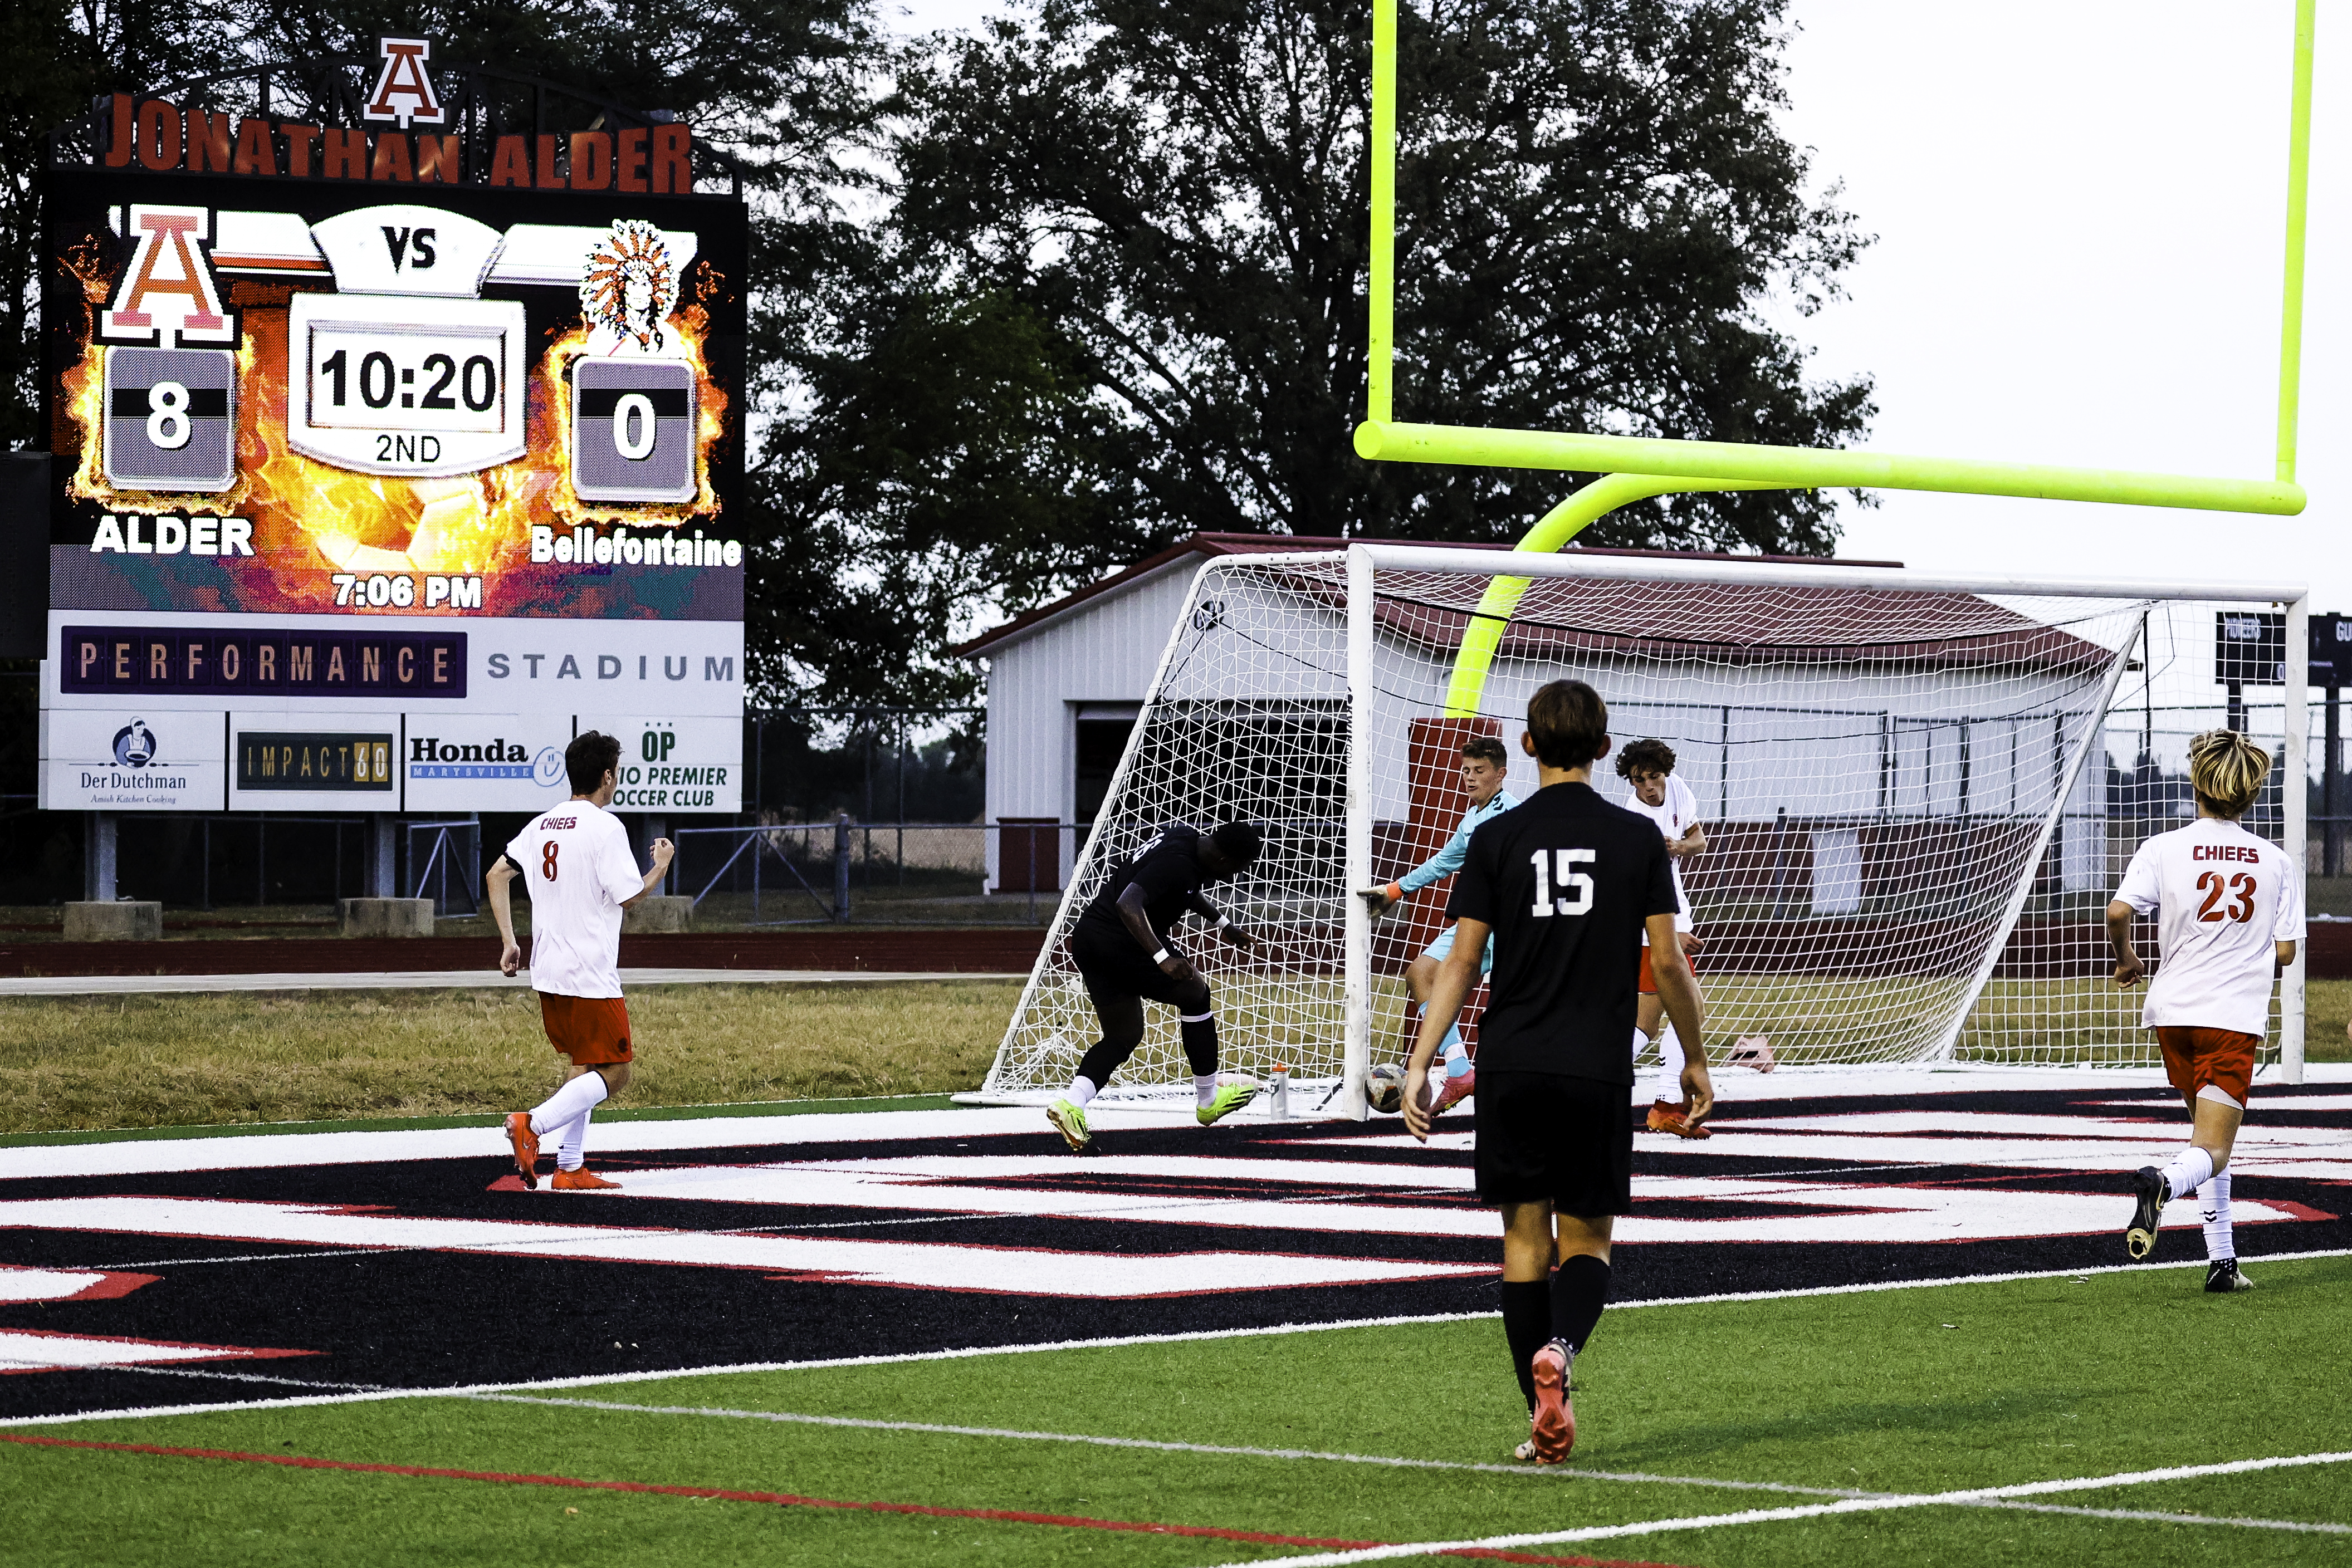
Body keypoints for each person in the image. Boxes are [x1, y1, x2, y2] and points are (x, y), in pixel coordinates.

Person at [1403, 680, 1708, 1464]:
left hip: (1510, 1062)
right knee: (1587, 1242)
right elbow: (1666, 964)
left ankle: (1540, 1417)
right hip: (1593, 1065)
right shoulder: (1636, 837)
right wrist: (1694, 1061)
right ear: (1604, 750)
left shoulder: (1495, 837)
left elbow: (1460, 962)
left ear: (1527, 746)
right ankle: (1561, 1349)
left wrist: (1419, 1061)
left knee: (1522, 1242)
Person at [2107, 728, 2303, 1290]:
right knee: (2213, 1148)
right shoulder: (2275, 861)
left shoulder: (2162, 847)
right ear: (2251, 795)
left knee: (2207, 1140)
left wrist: (2126, 959)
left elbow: (2117, 912)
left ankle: (2223, 1263)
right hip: (2229, 1018)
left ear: (2196, 785)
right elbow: (2285, 952)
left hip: (2171, 1014)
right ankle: (2162, 1185)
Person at [487, 731, 676, 1191]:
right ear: (607, 776)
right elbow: (630, 896)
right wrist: (662, 865)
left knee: (584, 1066)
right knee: (617, 1070)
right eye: (617, 772)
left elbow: (497, 874)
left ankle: (569, 1168)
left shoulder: (542, 824)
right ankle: (532, 1124)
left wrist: (510, 942)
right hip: (588, 970)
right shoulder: (605, 827)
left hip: (548, 969)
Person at [1045, 821, 1267, 1151]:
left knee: (1123, 1035)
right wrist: (1162, 957)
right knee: (1195, 993)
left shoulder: (1187, 840)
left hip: (1090, 937)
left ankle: (1071, 1105)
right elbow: (1128, 903)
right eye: (1239, 868)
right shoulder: (1179, 864)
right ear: (1224, 860)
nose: (1237, 875)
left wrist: (1223, 924)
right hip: (1120, 940)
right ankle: (1209, 1101)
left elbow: (1183, 890)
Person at [1359, 733, 1519, 1116]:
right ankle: (1461, 1073)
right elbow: (1445, 861)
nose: (1470, 777)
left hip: (1514, 927)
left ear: (1500, 774)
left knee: (1513, 1015)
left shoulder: (1514, 815)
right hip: (1476, 924)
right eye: (1466, 770)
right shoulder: (1473, 817)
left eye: (1479, 770)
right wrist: (1395, 890)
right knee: (1420, 973)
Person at [1615, 739, 1713, 1136]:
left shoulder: (1678, 789)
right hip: (1650, 928)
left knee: (1658, 1018)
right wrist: (1670, 936)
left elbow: (1699, 840)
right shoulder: (1633, 822)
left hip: (1672, 917)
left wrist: (1680, 846)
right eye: (1639, 780)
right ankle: (1663, 1103)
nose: (1649, 787)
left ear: (1665, 774)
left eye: (1654, 777)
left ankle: (1662, 1104)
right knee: (1680, 1010)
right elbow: (1631, 890)